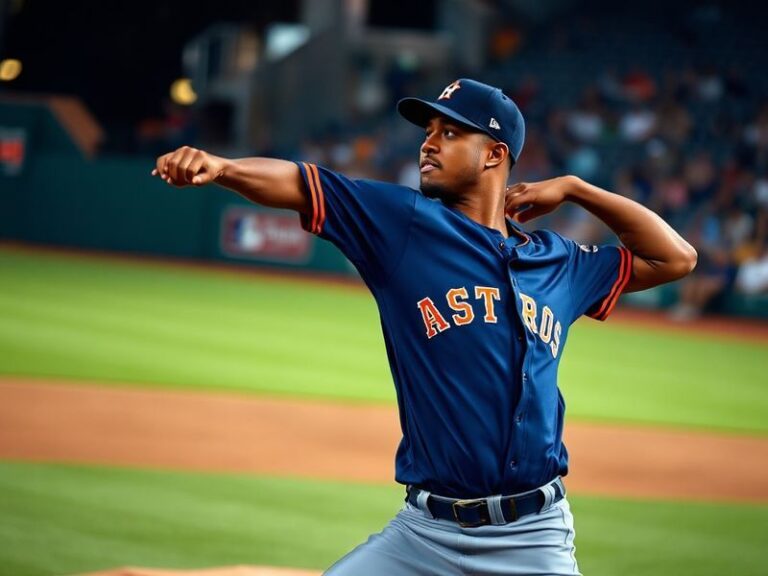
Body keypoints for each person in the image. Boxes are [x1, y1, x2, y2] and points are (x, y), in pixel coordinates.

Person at [152, 78, 697, 576]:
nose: (428, 144)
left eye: (450, 132)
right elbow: (302, 183)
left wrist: (577, 188)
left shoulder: (560, 263)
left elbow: (675, 258)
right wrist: (222, 168)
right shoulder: (402, 224)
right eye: (428, 131)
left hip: (534, 538)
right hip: (421, 537)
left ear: (495, 154)